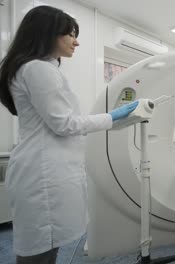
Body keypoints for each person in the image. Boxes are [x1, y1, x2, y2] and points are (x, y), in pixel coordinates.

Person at [0, 6, 138, 263]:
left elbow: (61, 123)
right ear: (47, 34)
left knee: (43, 247)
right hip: (42, 173)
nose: (76, 41)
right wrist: (113, 116)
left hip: (42, 167)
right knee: (40, 250)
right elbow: (64, 124)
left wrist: (118, 121)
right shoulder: (37, 69)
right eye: (70, 34)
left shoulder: (36, 68)